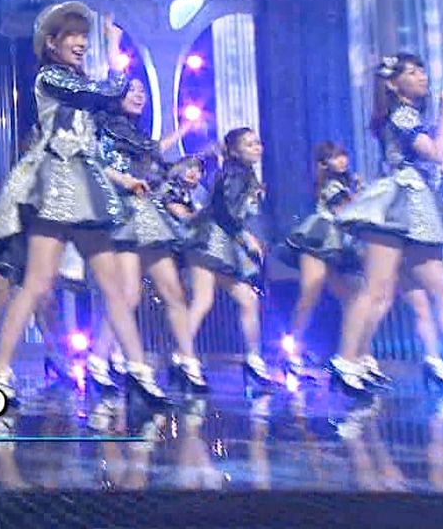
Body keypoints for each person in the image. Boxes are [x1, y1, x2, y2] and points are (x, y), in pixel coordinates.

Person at [0, 1, 168, 407]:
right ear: (52, 43)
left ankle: (139, 371)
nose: (81, 43)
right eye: (73, 36)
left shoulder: (79, 82)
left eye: (84, 36)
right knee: (36, 284)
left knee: (113, 287)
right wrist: (114, 52)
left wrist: (125, 178)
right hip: (55, 184)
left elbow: (101, 122)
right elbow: (106, 91)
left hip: (87, 186)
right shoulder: (50, 78)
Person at [333, 53, 443, 402]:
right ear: (393, 84)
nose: (422, 76)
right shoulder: (402, 114)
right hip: (401, 200)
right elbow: (435, 153)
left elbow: (436, 157)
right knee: (378, 291)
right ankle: (347, 360)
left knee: (433, 291)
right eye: (412, 72)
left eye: (422, 70)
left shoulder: (407, 115)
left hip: (416, 203)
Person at [89, 78, 206, 394]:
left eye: (142, 92)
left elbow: (153, 156)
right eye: (133, 91)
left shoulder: (137, 134)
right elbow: (97, 165)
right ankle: (98, 359)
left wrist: (185, 130)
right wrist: (125, 181)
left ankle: (187, 361)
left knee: (173, 291)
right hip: (122, 214)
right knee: (128, 295)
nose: (139, 96)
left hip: (147, 215)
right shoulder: (104, 129)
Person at [185, 127, 276, 392]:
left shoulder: (243, 173)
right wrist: (244, 237)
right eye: (249, 144)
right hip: (209, 240)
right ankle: (182, 356)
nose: (257, 148)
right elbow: (223, 210)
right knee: (204, 300)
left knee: (247, 299)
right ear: (234, 151)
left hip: (220, 243)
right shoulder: (234, 173)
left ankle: (253, 359)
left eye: (257, 143)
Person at [281, 141, 364, 378]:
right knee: (310, 293)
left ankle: (349, 354)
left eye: (343, 155)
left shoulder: (346, 182)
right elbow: (345, 211)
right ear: (324, 163)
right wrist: (360, 195)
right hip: (319, 238)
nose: (342, 161)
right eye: (335, 157)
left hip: (338, 244)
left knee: (351, 298)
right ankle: (292, 350)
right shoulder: (330, 184)